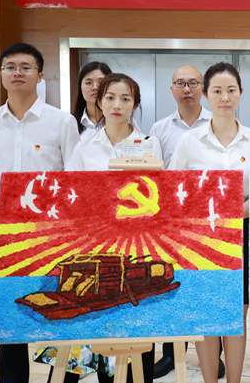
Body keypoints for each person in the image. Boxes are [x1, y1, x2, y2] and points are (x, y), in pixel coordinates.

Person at [0, 42, 80, 383]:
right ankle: (12, 378)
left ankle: (65, 376)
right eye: (10, 67)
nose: (17, 72)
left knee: (64, 302)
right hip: (2, 225)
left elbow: (75, 182)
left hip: (52, 227)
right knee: (9, 306)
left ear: (40, 75)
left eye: (26, 67)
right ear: (1, 74)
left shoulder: (61, 122)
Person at [46, 73, 160, 382]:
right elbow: (72, 195)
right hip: (91, 244)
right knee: (89, 320)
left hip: (133, 244)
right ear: (100, 101)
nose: (117, 105)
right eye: (110, 97)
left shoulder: (149, 144)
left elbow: (156, 196)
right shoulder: (84, 146)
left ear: (135, 104)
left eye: (125, 98)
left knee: (132, 325)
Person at [170, 62, 250, 383]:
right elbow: (174, 189)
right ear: (206, 94)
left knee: (236, 312)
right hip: (200, 238)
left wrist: (238, 211)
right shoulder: (190, 141)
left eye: (231, 90)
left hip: (242, 234)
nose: (225, 97)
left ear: (240, 93)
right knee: (206, 312)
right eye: (217, 91)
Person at [149, 65, 218, 378]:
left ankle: (213, 357)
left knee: (207, 291)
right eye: (180, 83)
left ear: (202, 88)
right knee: (173, 288)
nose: (187, 89)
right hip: (173, 223)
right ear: (171, 89)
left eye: (193, 83)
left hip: (209, 223)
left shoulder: (216, 122)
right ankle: (171, 353)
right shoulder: (159, 129)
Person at [72, 62, 112, 141]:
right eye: (88, 83)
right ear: (80, 88)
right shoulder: (70, 122)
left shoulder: (123, 121)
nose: (95, 87)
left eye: (101, 82)